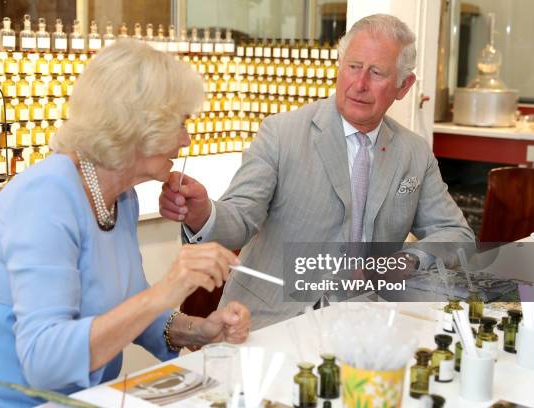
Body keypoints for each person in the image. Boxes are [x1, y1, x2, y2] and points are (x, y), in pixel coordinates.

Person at [0, 40, 250, 407]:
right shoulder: (45, 199)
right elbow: (45, 362)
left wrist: (200, 329)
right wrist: (165, 290)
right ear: (137, 126)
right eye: (179, 123)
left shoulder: (121, 199)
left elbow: (132, 308)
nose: (186, 139)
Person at [159, 14, 475, 329]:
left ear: (403, 86)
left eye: (376, 73)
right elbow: (240, 219)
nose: (360, 84)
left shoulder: (414, 153)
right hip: (272, 323)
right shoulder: (281, 133)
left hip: (365, 326)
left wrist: (409, 259)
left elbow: (458, 235)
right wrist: (202, 213)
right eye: (353, 67)